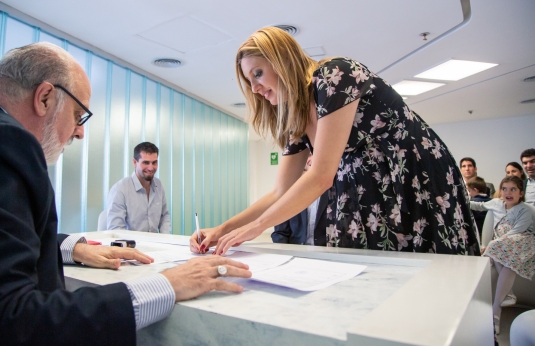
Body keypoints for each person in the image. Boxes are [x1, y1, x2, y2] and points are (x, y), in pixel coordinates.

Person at [0, 42, 251, 345]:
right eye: (78, 115)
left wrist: (73, 247)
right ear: (44, 98)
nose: (80, 132)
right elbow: (4, 323)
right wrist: (165, 285)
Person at [190, 26, 478, 256]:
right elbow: (280, 190)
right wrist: (223, 228)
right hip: (368, 191)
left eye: (258, 73)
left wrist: (257, 227)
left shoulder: (334, 76)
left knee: (428, 266)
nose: (254, 89)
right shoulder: (298, 119)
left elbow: (320, 176)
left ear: (283, 61)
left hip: (411, 180)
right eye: (248, 81)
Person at [470, 176, 535, 334]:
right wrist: (459, 198)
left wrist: (493, 244)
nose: (508, 192)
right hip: (503, 244)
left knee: (498, 250)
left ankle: (495, 312)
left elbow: (516, 232)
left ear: (521, 193)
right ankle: (508, 295)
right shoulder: (496, 203)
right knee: (500, 253)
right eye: (504, 188)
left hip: (523, 241)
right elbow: (478, 205)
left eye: (513, 189)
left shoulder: (526, 209)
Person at [106, 142, 170, 233]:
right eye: (146, 163)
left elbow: (164, 216)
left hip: (156, 244)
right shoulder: (120, 189)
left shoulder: (158, 185)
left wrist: (165, 239)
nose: (151, 168)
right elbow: (116, 229)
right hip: (131, 245)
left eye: (154, 162)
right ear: (135, 162)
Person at [271, 155, 330, 245]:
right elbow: (280, 233)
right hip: (296, 252)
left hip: (326, 253)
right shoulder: (289, 192)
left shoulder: (335, 190)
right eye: (308, 155)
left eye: (314, 154)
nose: (310, 159)